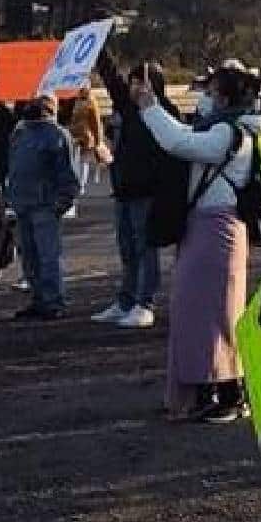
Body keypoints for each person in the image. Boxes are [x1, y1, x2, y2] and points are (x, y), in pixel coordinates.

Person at [134, 66, 260, 423]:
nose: (204, 95)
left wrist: (150, 107)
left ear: (224, 97)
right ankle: (213, 390)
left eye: (210, 90)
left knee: (210, 316)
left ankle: (223, 394)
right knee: (209, 313)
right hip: (213, 230)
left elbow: (179, 142)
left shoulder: (227, 133)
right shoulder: (234, 129)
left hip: (214, 231)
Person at [91, 52, 174, 329]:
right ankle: (126, 300)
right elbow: (113, 81)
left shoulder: (165, 113)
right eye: (132, 83)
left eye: (138, 82)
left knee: (145, 248)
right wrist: (100, 52)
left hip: (147, 193)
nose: (132, 88)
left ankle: (144, 302)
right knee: (127, 249)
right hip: (125, 190)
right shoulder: (129, 109)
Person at [6, 96, 81, 321]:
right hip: (23, 203)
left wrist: (62, 202)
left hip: (44, 205)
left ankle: (53, 300)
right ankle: (39, 298)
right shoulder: (20, 132)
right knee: (29, 256)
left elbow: (68, 174)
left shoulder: (56, 135)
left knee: (48, 255)